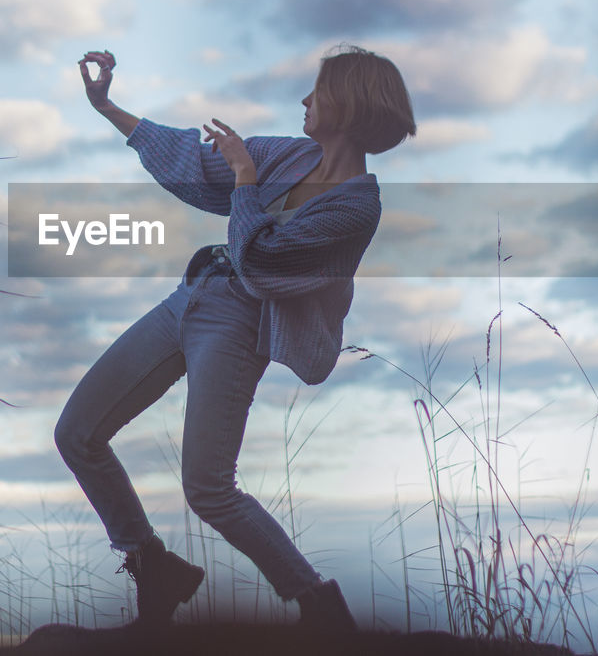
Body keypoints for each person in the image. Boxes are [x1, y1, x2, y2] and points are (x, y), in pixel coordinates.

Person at [54, 46, 416, 631]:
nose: (304, 100)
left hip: (240, 323)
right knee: (76, 433)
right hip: (191, 297)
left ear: (347, 106)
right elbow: (195, 164)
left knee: (208, 488)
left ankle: (319, 606)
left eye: (316, 91)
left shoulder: (356, 209)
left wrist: (246, 179)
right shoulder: (293, 155)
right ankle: (152, 565)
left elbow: (263, 261)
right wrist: (107, 107)